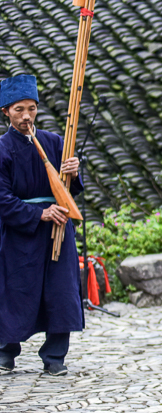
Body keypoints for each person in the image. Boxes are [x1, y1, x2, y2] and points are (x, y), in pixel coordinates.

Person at [0, 75, 83, 376]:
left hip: (59, 226)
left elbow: (70, 189)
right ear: (6, 112)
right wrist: (39, 214)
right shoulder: (2, 149)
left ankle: (55, 356)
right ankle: (6, 351)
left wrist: (74, 172)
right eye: (19, 109)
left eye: (32, 109)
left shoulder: (56, 142)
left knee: (61, 291)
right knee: (16, 290)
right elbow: (2, 198)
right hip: (21, 232)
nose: (26, 116)